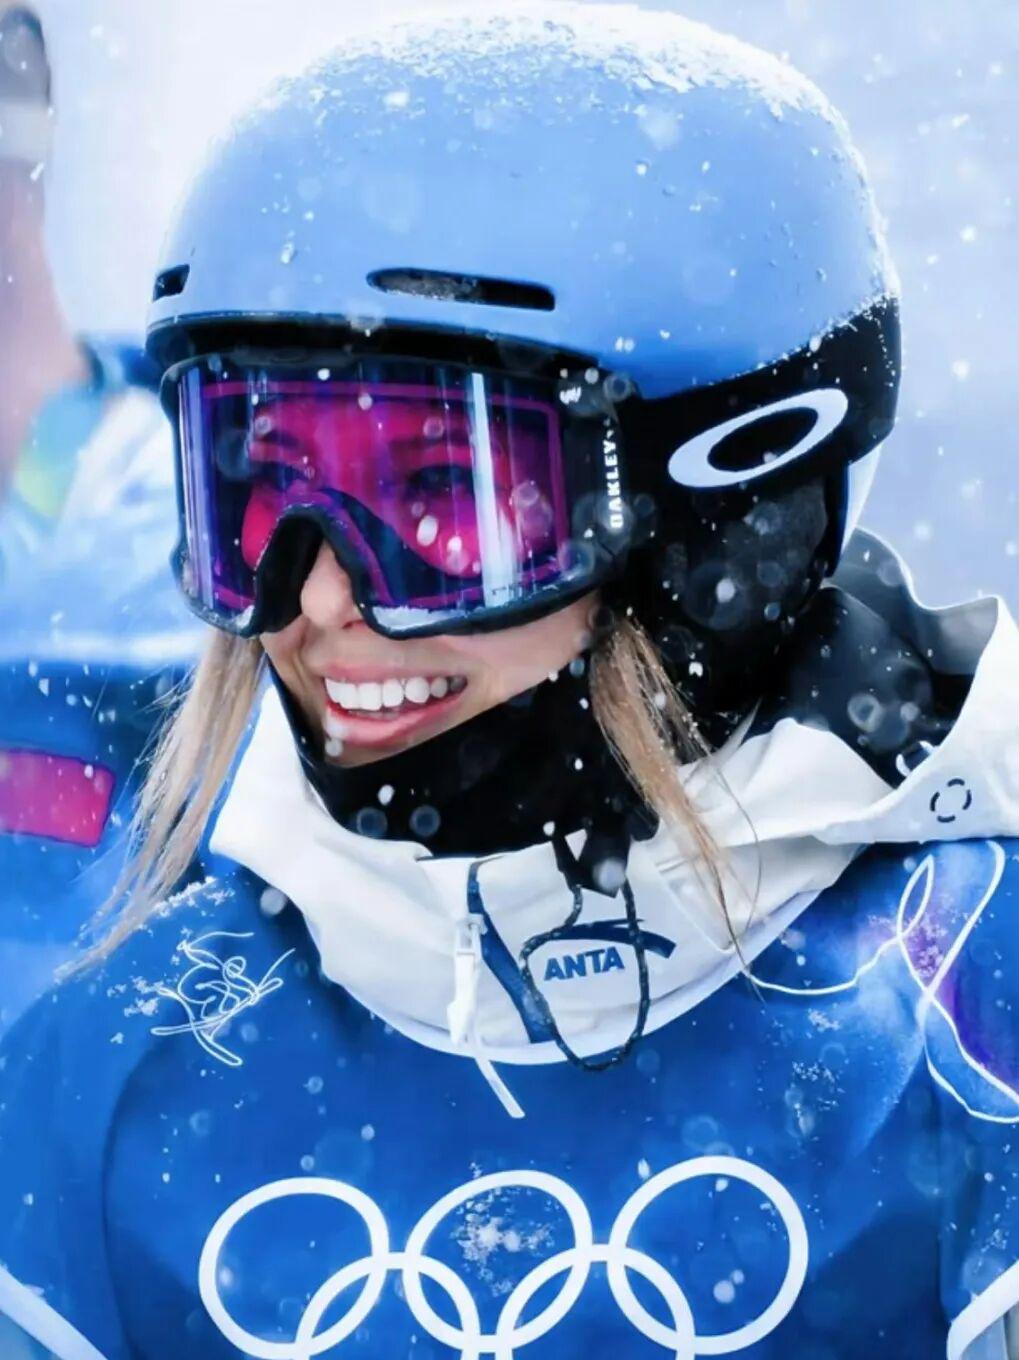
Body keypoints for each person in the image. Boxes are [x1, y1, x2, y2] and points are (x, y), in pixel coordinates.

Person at [0, 7, 1017, 1358]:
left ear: (722, 518)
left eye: (445, 496)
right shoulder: (123, 1070)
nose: (319, 599)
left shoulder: (965, 1011)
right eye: (263, 492)